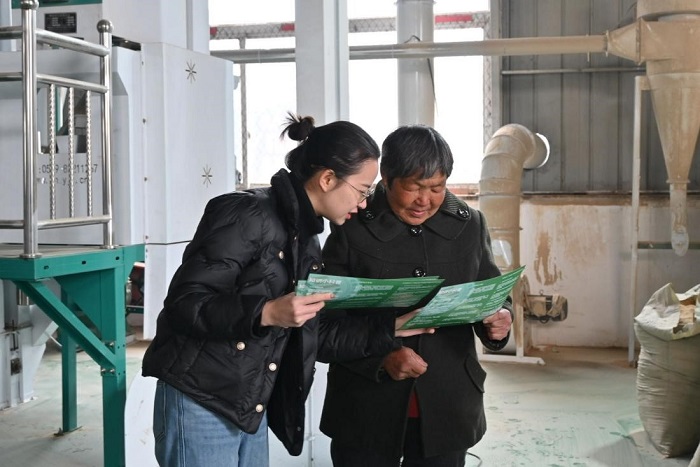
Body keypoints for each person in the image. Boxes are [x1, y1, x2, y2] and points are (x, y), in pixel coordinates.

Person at [142, 114, 425, 467]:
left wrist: (389, 328)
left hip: (248, 402)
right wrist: (266, 312)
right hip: (200, 398)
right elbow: (185, 304)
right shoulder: (246, 213)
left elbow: (314, 335)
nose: (364, 203)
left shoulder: (305, 237)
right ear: (327, 179)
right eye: (362, 190)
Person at [319, 124, 514, 467]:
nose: (425, 200)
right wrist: (380, 359)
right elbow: (324, 326)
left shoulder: (469, 225)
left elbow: (491, 293)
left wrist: (500, 321)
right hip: (365, 404)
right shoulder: (351, 226)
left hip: (447, 403)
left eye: (437, 188)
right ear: (386, 178)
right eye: (413, 188)